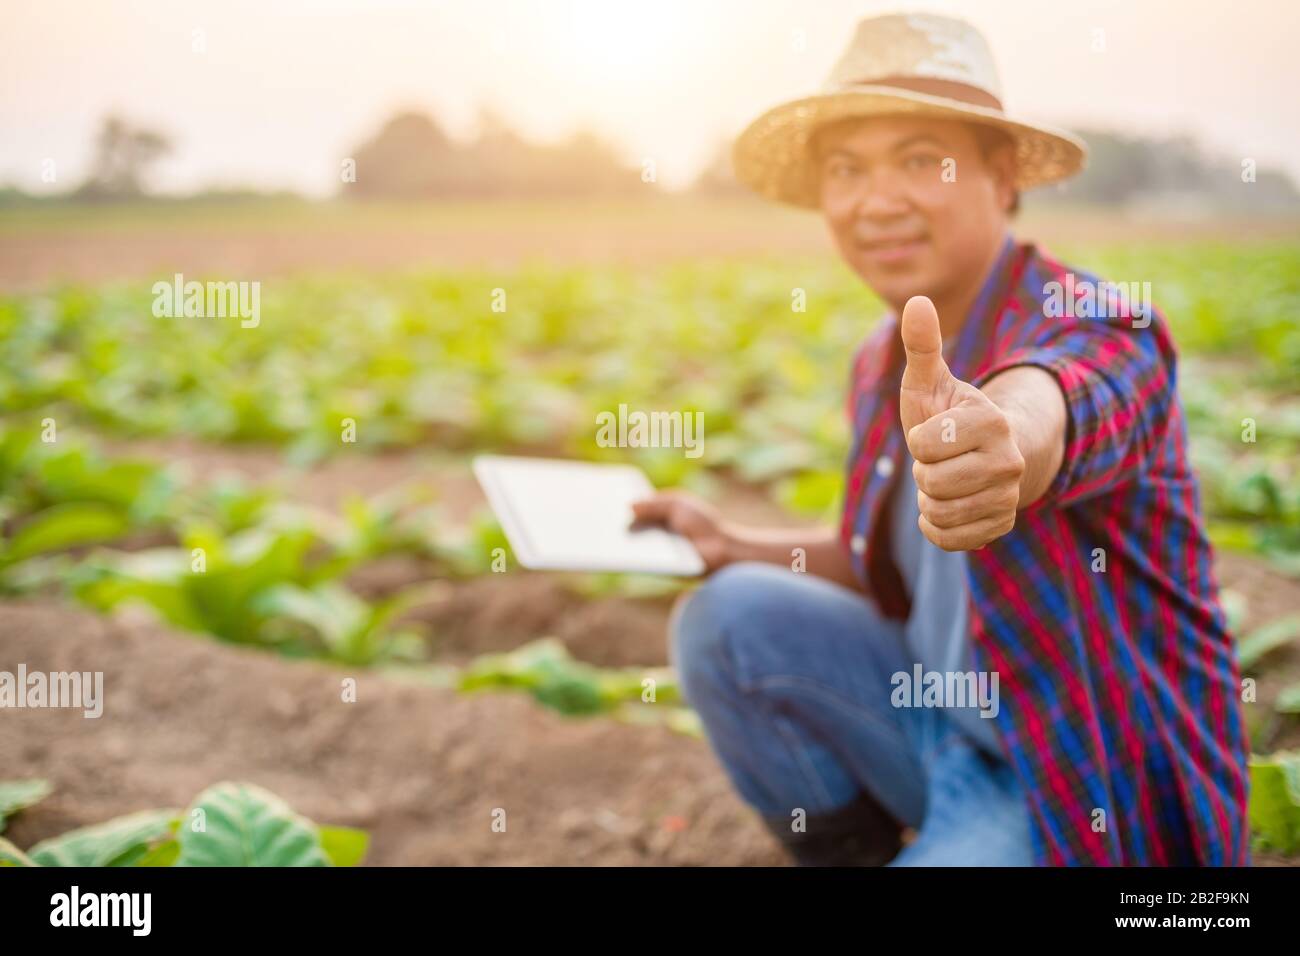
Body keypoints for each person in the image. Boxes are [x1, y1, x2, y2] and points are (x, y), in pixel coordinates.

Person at [632, 13, 1249, 866]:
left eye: (921, 159)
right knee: (727, 618)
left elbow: (1060, 401)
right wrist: (732, 543)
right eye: (846, 169)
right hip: (936, 729)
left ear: (1002, 177)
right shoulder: (878, 363)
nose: (877, 201)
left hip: (1080, 782)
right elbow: (887, 563)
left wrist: (1010, 441)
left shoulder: (1102, 320)